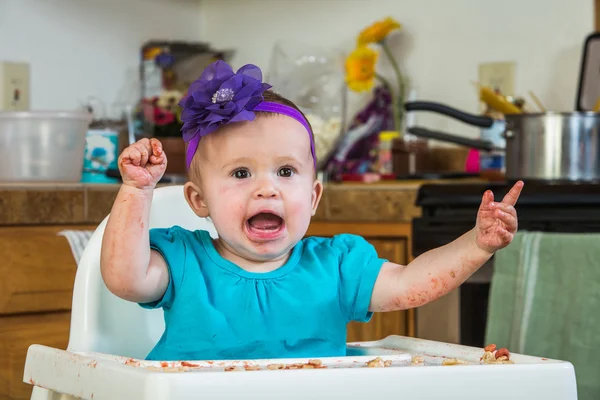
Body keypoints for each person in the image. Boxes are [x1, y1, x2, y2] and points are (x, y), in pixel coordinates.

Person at [100, 60, 523, 361]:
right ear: (199, 201)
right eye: (241, 173)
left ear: (315, 195)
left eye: (286, 171)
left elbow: (412, 283)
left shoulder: (336, 266)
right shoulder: (183, 262)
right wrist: (138, 191)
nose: (267, 189)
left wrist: (477, 244)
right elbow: (125, 278)